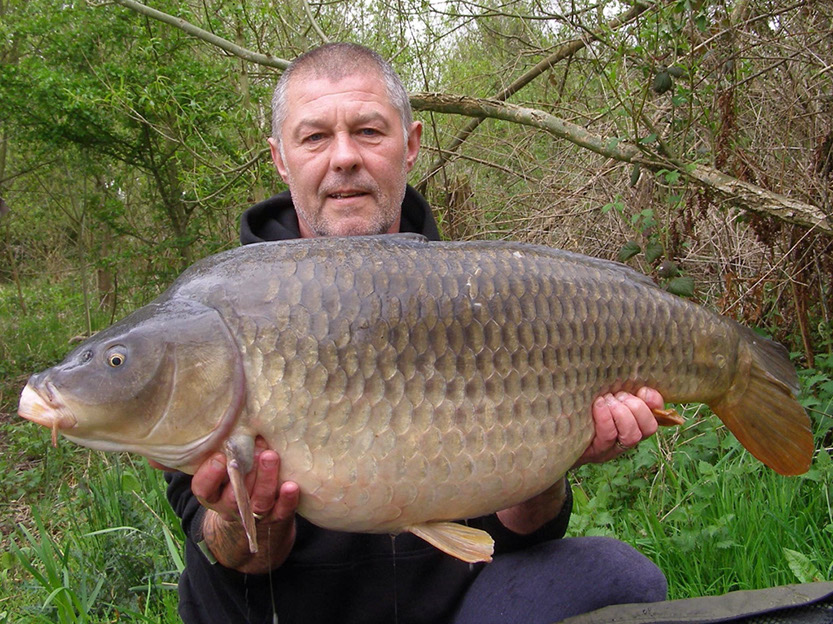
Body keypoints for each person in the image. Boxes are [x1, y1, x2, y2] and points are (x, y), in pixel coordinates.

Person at [160, 42, 668, 624]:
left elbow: (525, 532)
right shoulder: (214, 319)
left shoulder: (482, 296)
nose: (344, 157)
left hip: (456, 607)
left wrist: (556, 457)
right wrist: (249, 517)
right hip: (285, 610)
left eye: (369, 131)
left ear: (412, 145)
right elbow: (228, 556)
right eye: (315, 137)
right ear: (281, 159)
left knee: (622, 576)